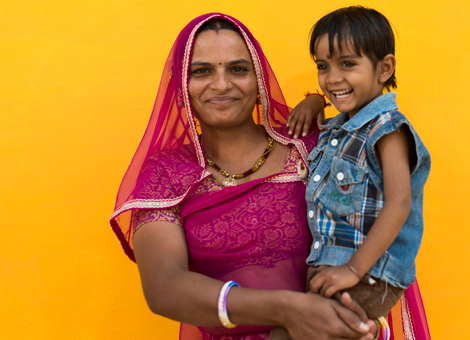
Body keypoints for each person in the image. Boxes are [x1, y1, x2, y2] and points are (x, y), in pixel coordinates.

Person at [109, 13, 376, 340]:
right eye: (202, 71)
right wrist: (288, 309)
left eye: (238, 69)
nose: (222, 85)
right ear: (181, 87)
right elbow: (164, 289)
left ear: (259, 80)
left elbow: (374, 230)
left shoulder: (310, 148)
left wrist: (316, 100)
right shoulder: (166, 173)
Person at [272, 6, 432, 340]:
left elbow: (400, 203)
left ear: (384, 68)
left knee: (298, 332)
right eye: (322, 66)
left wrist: (353, 269)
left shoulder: (388, 130)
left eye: (347, 64)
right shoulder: (340, 130)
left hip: (367, 274)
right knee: (288, 328)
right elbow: (321, 123)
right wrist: (315, 101)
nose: (332, 78)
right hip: (333, 269)